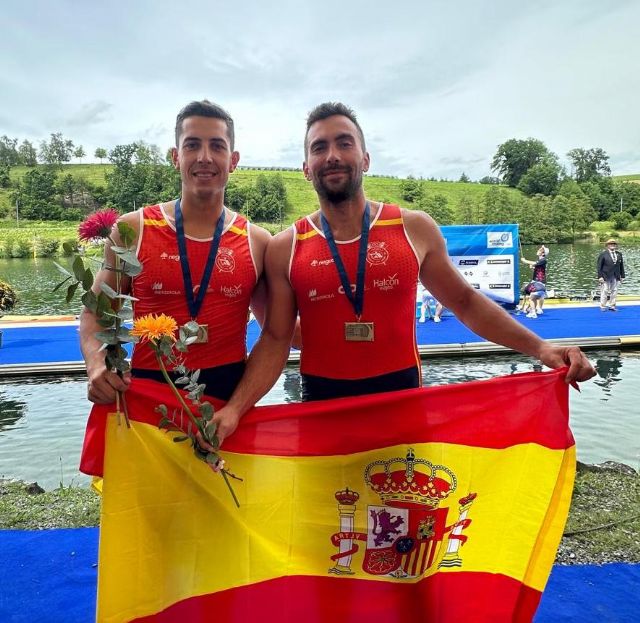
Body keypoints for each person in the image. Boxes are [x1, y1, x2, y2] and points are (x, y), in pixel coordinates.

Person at [211, 102, 595, 443]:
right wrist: (235, 409)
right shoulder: (286, 247)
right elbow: (277, 337)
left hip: (402, 400)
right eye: (319, 147)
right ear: (306, 169)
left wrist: (542, 348)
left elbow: (465, 303)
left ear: (365, 159)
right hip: (322, 405)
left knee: (407, 517)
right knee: (327, 519)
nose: (332, 155)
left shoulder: (413, 228)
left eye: (344, 143)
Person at [80, 100, 271, 404]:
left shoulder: (257, 240)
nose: (205, 157)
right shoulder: (133, 230)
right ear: (175, 156)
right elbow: (96, 313)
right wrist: (97, 363)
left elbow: (276, 333)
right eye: (192, 145)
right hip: (146, 398)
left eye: (217, 146)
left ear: (233, 160)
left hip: (228, 402)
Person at [597, 238, 625, 311]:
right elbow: (599, 266)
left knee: (614, 290)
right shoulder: (603, 254)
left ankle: (612, 305)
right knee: (605, 290)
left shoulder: (619, 254)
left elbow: (621, 265)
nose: (612, 245)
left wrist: (622, 276)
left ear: (616, 245)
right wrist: (600, 276)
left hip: (616, 275)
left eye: (614, 244)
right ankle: (602, 306)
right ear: (607, 245)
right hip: (605, 275)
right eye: (611, 244)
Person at [518, 245, 548, 312]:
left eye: (539, 250)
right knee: (532, 296)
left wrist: (525, 261)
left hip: (540, 281)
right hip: (536, 280)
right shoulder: (540, 260)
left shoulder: (543, 260)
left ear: (543, 253)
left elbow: (534, 263)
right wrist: (533, 268)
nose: (537, 251)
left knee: (538, 296)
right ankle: (531, 308)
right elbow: (538, 269)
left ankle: (538, 309)